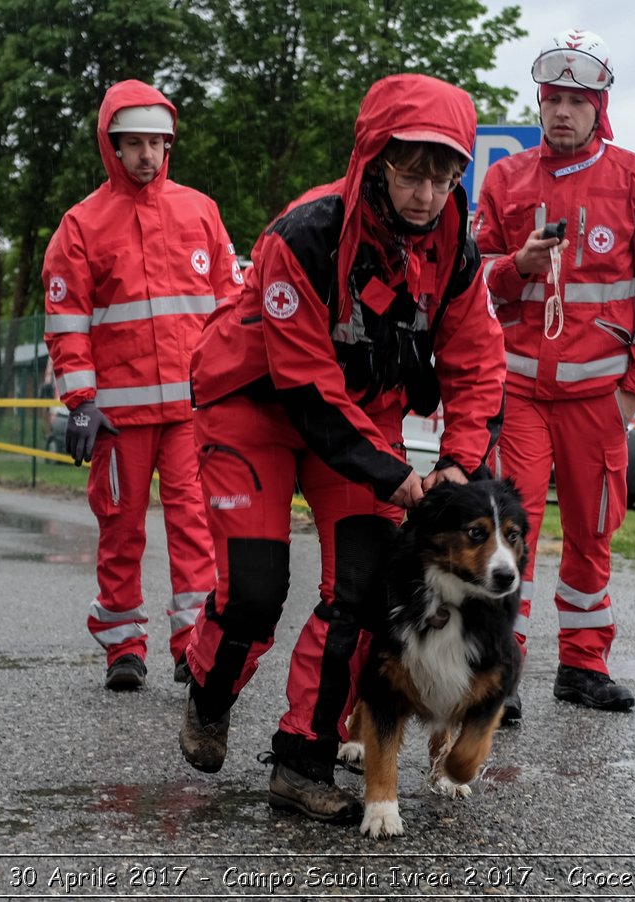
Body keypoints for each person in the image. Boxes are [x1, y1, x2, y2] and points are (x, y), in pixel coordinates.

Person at [176, 73, 506, 822]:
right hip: (257, 405)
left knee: (359, 593)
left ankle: (302, 760)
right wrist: (399, 478)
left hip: (364, 417)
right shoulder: (305, 233)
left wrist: (458, 464)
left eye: (444, 172)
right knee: (254, 593)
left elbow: (479, 360)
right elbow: (307, 385)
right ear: (374, 157)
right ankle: (208, 689)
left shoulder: (457, 244)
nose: (426, 191)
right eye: (411, 169)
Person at [474, 28, 635, 718]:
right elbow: (472, 284)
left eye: (576, 100)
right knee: (513, 528)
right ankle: (499, 673)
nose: (562, 111)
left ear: (600, 107)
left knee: (594, 531)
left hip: (599, 397)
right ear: (538, 104)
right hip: (520, 392)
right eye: (552, 99)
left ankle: (583, 665)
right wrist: (517, 268)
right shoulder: (504, 178)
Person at [42, 80, 239, 691]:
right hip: (118, 420)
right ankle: (123, 646)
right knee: (121, 529)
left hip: (189, 413)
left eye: (158, 142)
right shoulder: (81, 225)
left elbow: (230, 305)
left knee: (195, 526)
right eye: (134, 143)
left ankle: (193, 645)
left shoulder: (200, 211)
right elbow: (66, 323)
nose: (148, 155)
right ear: (112, 146)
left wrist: (231, 390)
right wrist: (80, 402)